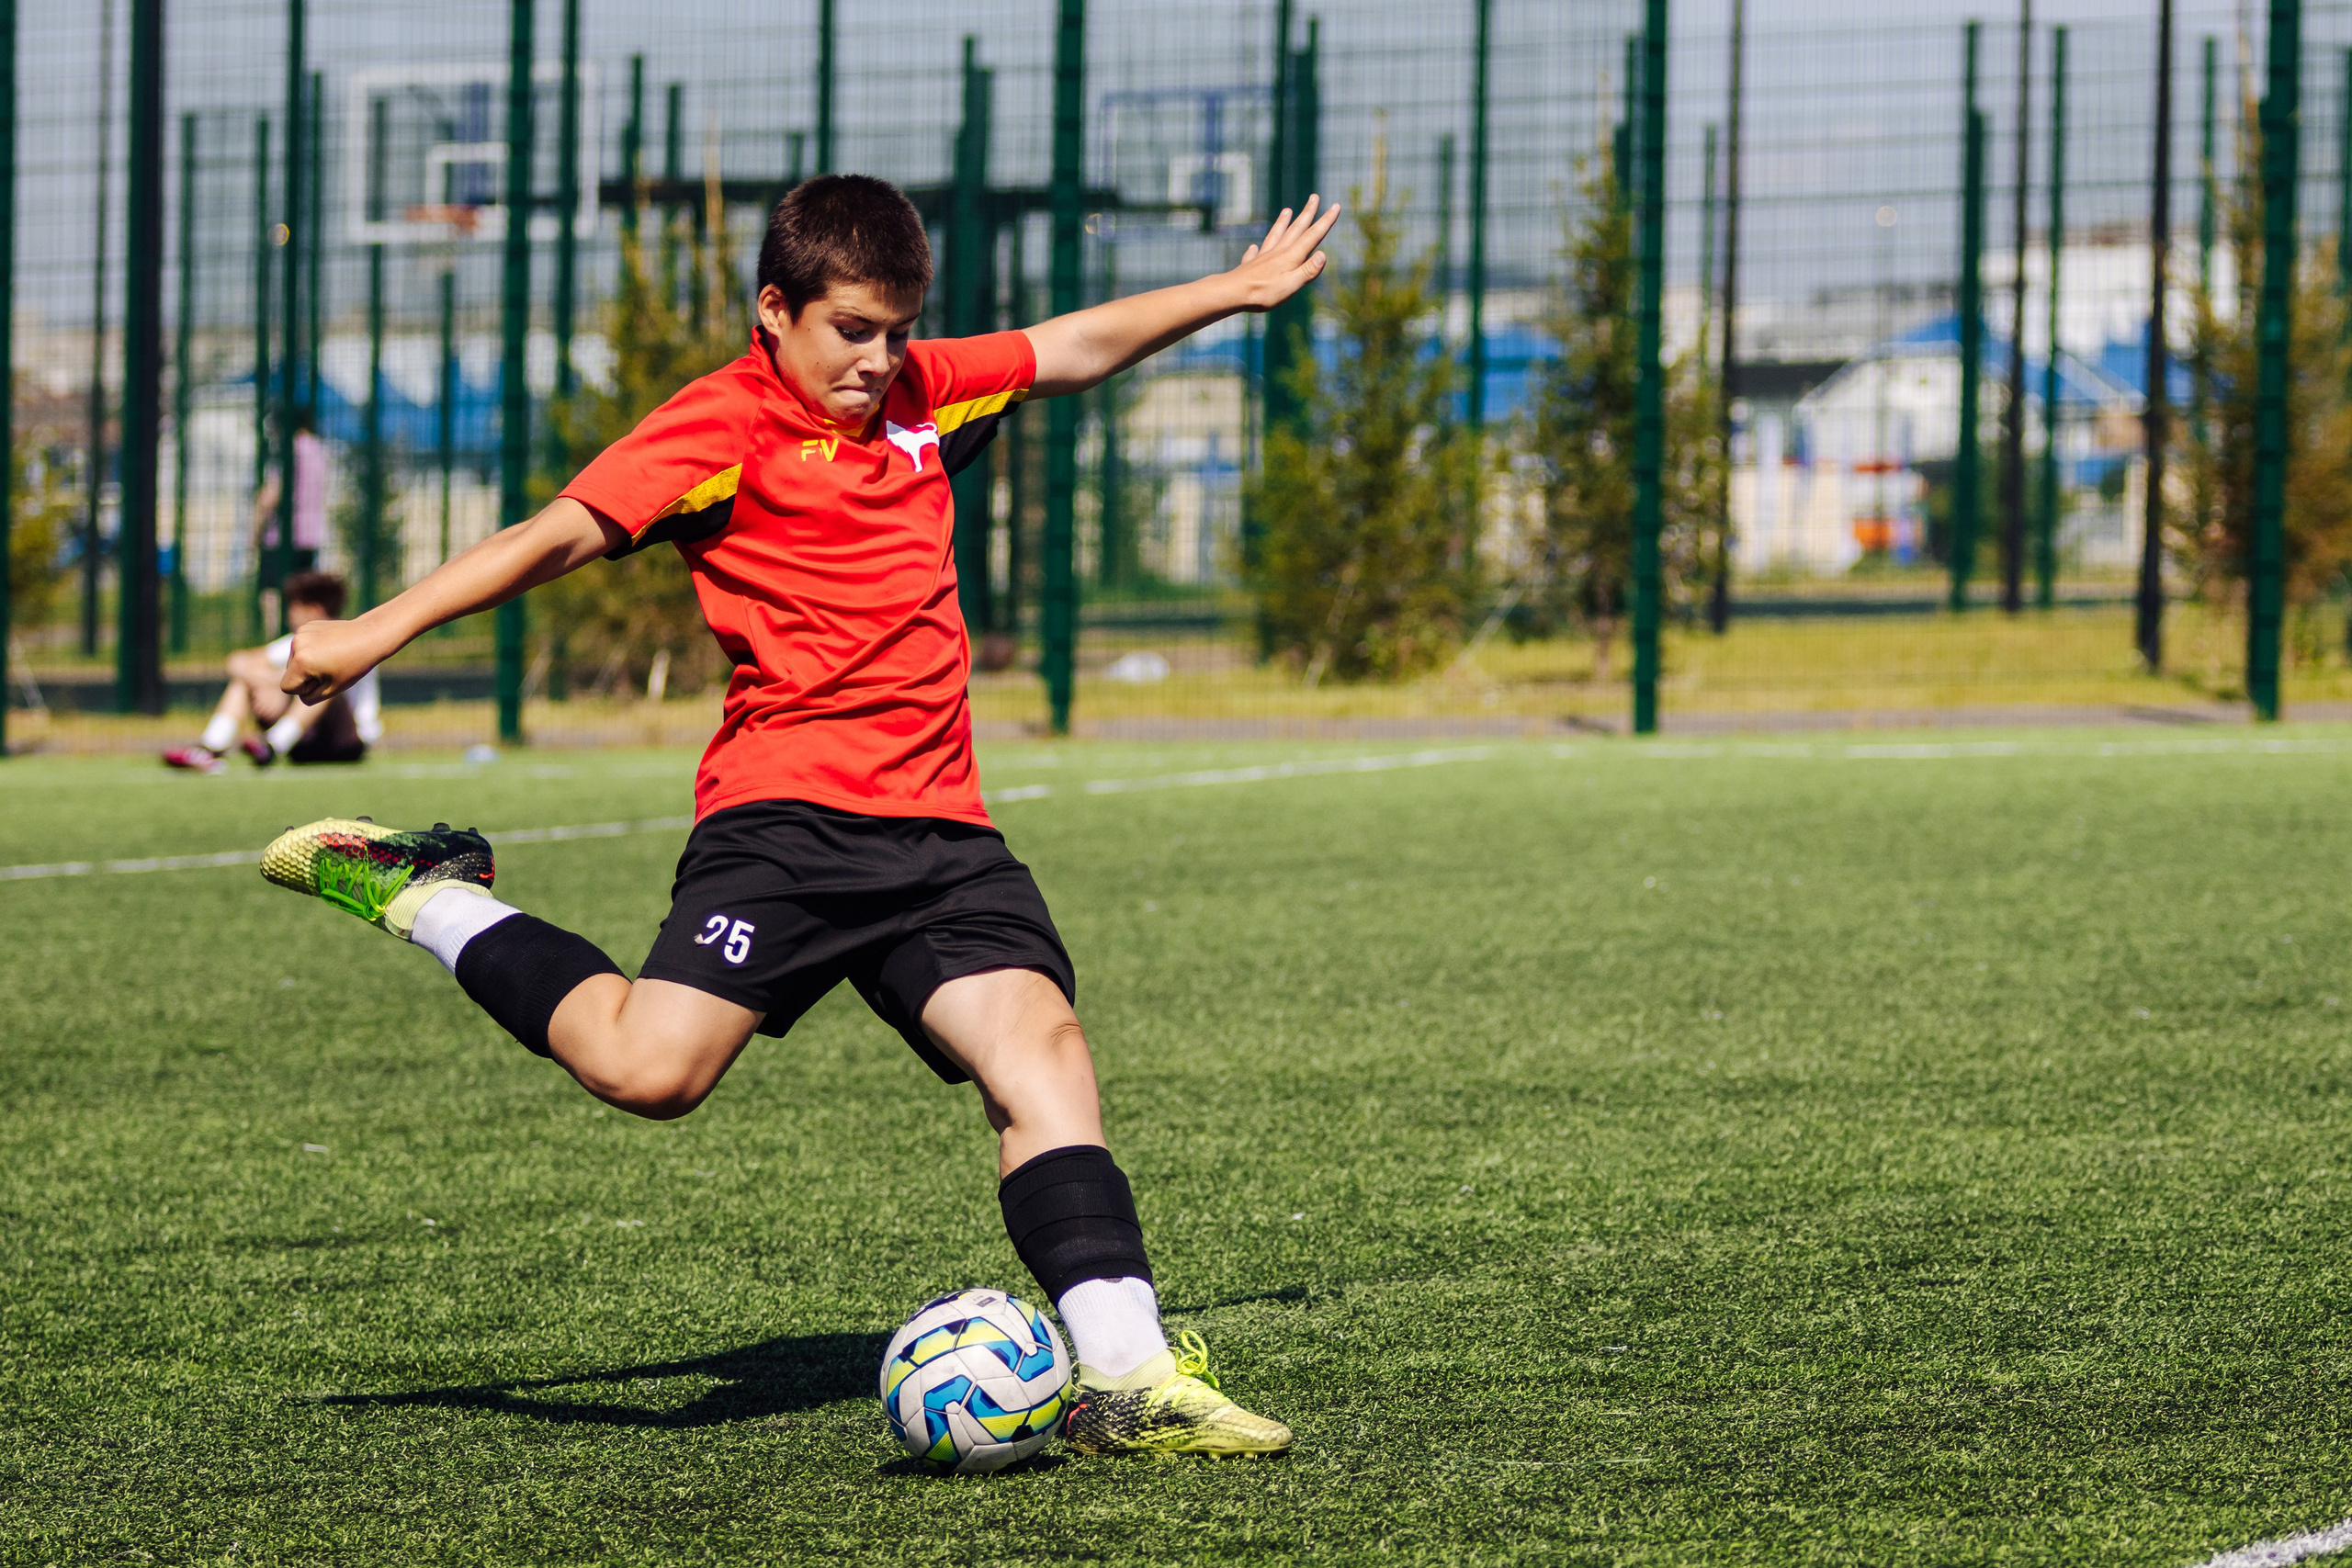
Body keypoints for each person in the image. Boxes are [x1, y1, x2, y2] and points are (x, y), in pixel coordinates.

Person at [254, 175, 1340, 1458]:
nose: (878, 361)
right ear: (776, 309)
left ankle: (1127, 1375)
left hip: (941, 834)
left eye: (897, 332)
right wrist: (370, 634)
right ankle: (428, 890)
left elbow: (1072, 347)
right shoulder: (718, 426)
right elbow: (552, 537)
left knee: (1042, 1053)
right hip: (786, 825)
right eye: (851, 331)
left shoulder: (925, 391)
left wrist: (1234, 290)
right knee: (648, 1072)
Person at [164, 571, 381, 773]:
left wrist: (278, 685)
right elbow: (237, 662)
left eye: (294, 607)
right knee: (243, 682)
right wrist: (268, 684)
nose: (289, 614)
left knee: (322, 684)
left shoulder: (348, 640)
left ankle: (272, 745)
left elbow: (324, 674)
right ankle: (210, 748)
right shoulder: (297, 641)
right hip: (304, 743)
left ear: (314, 610)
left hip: (345, 741)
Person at [253, 407, 329, 577]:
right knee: (301, 589)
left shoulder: (288, 449)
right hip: (310, 535)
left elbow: (272, 494)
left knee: (271, 588)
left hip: (280, 538)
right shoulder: (318, 449)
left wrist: (255, 532)